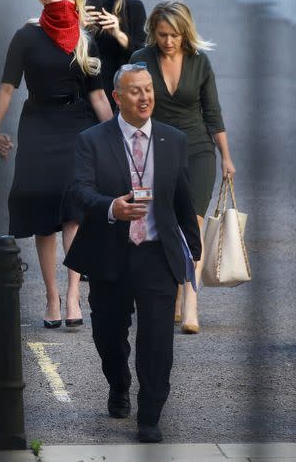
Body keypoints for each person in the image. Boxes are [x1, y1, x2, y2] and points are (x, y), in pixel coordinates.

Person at [64, 62, 201, 443]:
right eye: (136, 91)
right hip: (111, 252)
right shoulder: (92, 139)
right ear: (117, 97)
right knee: (109, 336)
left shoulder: (173, 139)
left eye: (149, 89)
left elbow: (182, 196)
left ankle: (151, 414)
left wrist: (192, 247)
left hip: (157, 253)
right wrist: (112, 207)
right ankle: (119, 383)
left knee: (157, 341)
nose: (145, 97)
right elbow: (79, 190)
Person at [0, 0, 113, 328]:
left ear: (77, 1)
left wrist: (115, 137)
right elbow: (7, 86)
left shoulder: (85, 39)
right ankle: (51, 296)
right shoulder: (26, 36)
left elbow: (98, 94)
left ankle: (74, 295)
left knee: (74, 213)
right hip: (38, 127)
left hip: (77, 126)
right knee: (46, 219)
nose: (62, 1)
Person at [130, 0, 235, 334]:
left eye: (174, 35)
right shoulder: (140, 61)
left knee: (193, 225)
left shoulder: (199, 62)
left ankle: (191, 302)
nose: (168, 41)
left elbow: (213, 113)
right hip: (156, 149)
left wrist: (227, 157)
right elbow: (131, 110)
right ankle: (173, 291)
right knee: (164, 223)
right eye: (162, 34)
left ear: (185, 32)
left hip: (199, 150)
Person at [81, 0, 147, 108]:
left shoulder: (132, 7)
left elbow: (144, 57)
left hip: (122, 95)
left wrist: (119, 34)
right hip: (84, 94)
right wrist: (78, 29)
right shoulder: (75, 7)